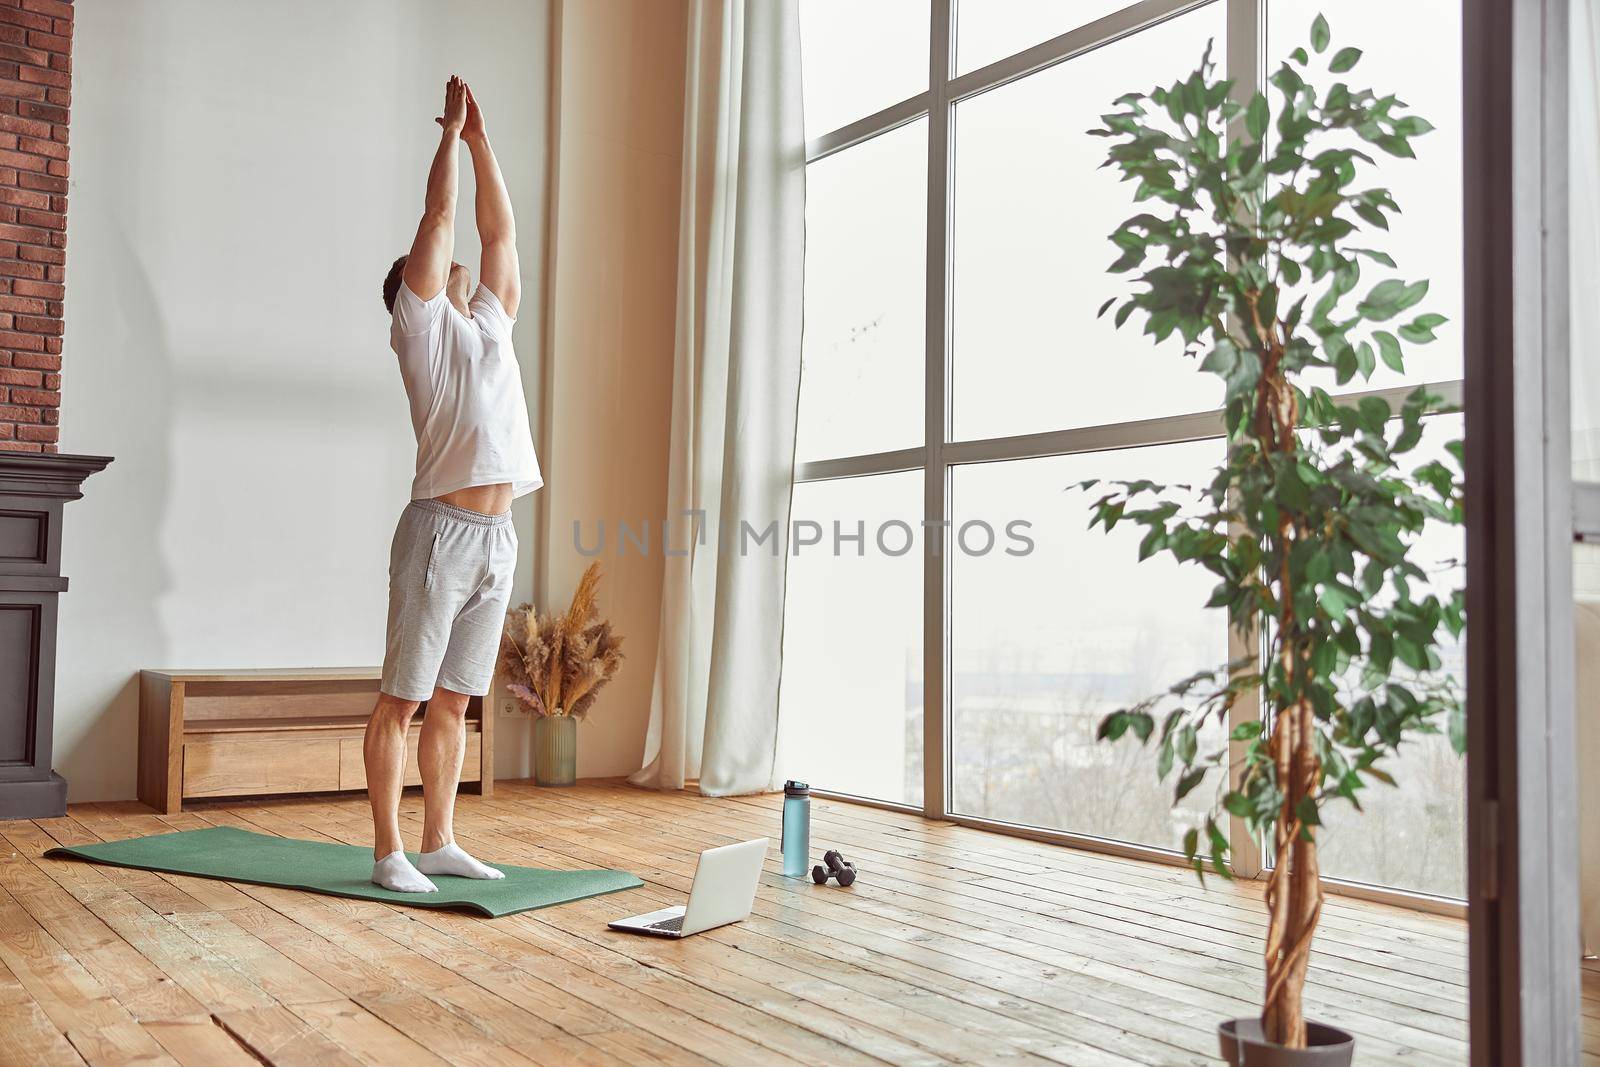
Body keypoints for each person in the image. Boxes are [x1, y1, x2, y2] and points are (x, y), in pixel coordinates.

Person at [365, 76, 541, 893]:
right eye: (434, 267)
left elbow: (500, 232)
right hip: (439, 529)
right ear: (413, 291)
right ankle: (388, 851)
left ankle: (439, 840)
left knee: (454, 701)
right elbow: (442, 219)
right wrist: (447, 135)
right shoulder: (422, 328)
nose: (456, 260)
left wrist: (482, 141)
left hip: (497, 537)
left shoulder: (489, 324)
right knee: (403, 699)